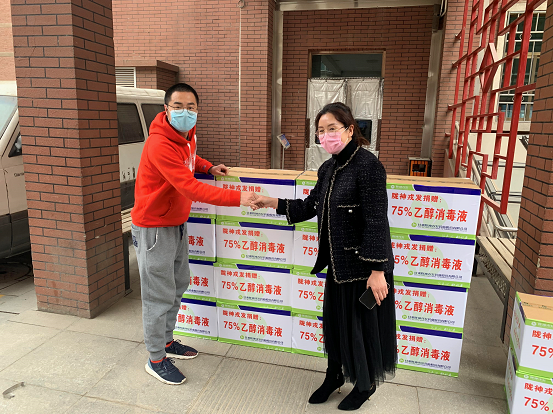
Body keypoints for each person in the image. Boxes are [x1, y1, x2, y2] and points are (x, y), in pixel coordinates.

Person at [252, 102, 396, 411]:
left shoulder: (368, 166)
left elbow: (376, 221)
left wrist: (378, 271)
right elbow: (310, 205)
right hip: (337, 265)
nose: (326, 135)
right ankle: (335, 375)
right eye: (320, 130)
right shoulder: (328, 168)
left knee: (360, 328)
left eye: (332, 128)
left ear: (349, 129)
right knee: (336, 325)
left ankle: (365, 384)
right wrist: (271, 202)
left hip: (365, 270)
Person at [131, 82, 257, 385]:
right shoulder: (159, 144)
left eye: (191, 107)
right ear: (166, 109)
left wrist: (208, 167)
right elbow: (189, 186)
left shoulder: (187, 135)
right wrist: (239, 198)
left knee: (178, 284)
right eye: (178, 107)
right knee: (157, 295)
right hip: (154, 228)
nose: (185, 112)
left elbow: (189, 162)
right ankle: (155, 358)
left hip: (176, 222)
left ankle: (167, 341)